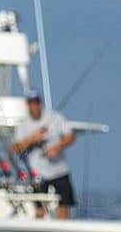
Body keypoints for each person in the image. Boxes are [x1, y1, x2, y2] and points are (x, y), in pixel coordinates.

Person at [11, 89, 76, 219]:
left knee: (64, 206)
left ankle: (61, 229)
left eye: (36, 102)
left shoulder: (55, 118)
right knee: (40, 209)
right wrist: (32, 139)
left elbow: (71, 136)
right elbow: (15, 148)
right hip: (37, 174)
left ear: (40, 103)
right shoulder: (23, 125)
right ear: (27, 105)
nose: (34, 105)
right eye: (31, 102)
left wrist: (57, 148)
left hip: (59, 171)